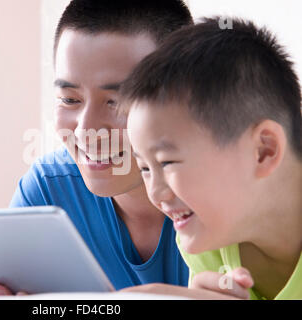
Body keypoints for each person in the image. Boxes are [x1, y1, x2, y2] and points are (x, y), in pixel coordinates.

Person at [0, 0, 195, 298]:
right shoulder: (49, 190)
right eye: (70, 100)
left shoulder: (220, 194)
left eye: (117, 102)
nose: (86, 130)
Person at [120, 17, 302, 299]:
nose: (155, 194)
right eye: (144, 167)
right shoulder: (207, 241)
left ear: (263, 151)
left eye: (167, 162)